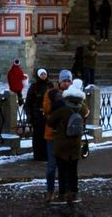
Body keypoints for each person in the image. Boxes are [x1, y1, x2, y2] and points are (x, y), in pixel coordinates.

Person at [46, 78, 87, 204]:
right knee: (73, 170)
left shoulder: (62, 109)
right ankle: (74, 194)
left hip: (61, 144)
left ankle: (62, 194)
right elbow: (86, 115)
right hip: (75, 144)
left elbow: (50, 122)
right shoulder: (81, 108)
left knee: (62, 170)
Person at [42, 70, 73, 200]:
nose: (66, 83)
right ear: (60, 81)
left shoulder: (73, 94)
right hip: (53, 135)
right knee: (51, 166)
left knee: (65, 166)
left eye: (68, 81)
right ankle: (50, 191)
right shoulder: (51, 93)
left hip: (66, 135)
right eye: (64, 81)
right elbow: (46, 110)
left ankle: (65, 191)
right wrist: (58, 102)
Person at [24, 69, 51, 162]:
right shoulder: (34, 87)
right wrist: (30, 115)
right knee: (38, 137)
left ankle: (47, 155)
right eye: (41, 74)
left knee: (48, 136)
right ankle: (38, 155)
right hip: (37, 116)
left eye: (45, 74)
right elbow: (28, 102)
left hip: (48, 115)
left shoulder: (50, 86)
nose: (43, 76)